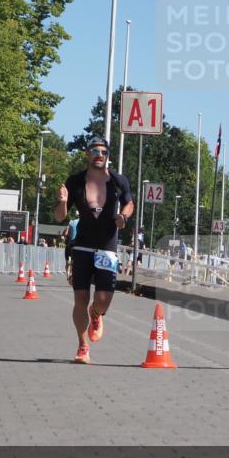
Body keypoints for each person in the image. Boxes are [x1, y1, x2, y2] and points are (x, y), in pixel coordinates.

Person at [54, 136, 133, 364]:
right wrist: (63, 201)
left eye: (104, 152)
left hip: (107, 245)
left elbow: (129, 203)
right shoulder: (75, 181)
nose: (100, 155)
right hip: (82, 245)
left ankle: (96, 313)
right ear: (87, 154)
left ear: (108, 156)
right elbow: (59, 217)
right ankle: (82, 346)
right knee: (80, 297)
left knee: (103, 299)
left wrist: (123, 216)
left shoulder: (118, 181)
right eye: (95, 151)